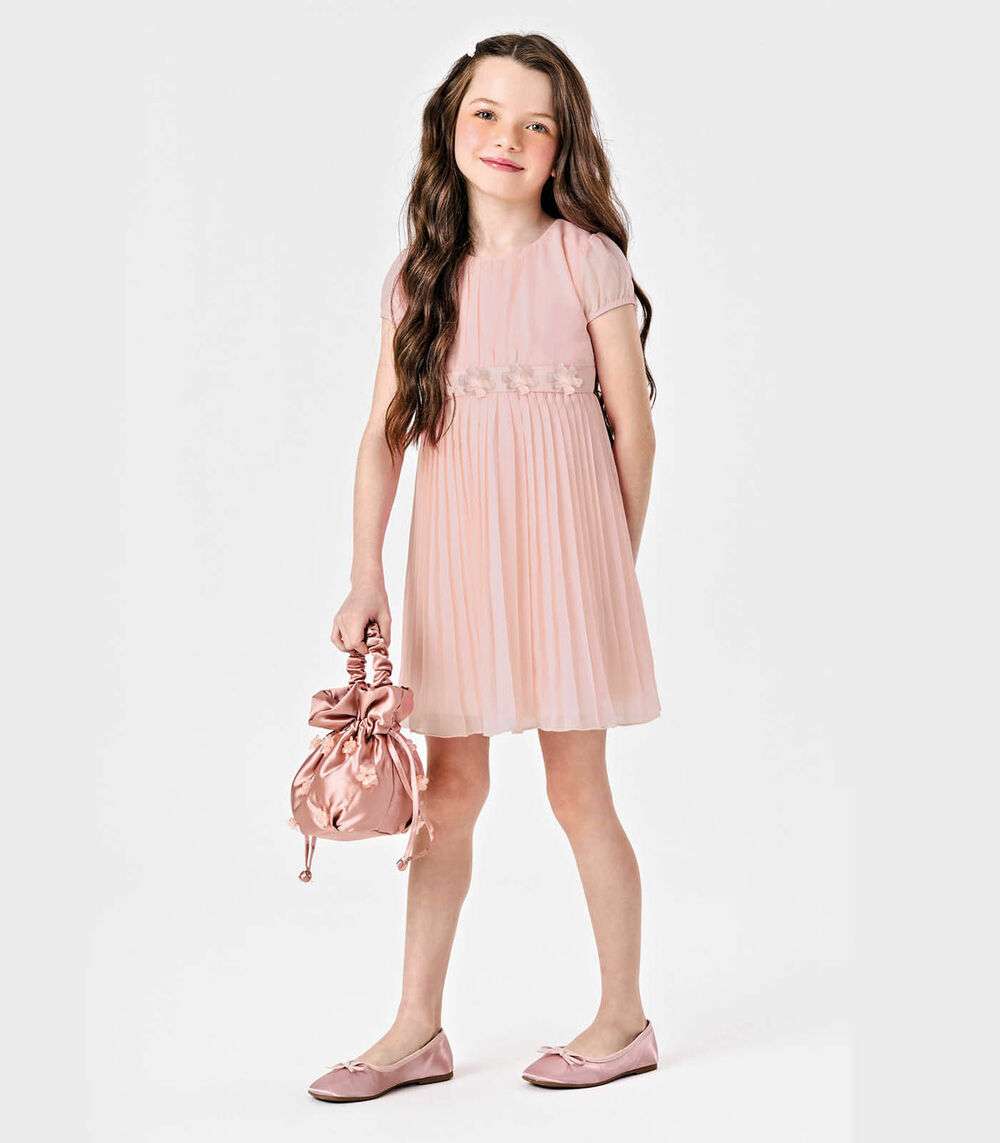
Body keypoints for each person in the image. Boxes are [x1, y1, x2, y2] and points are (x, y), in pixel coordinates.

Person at [308, 33, 662, 1101]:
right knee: (449, 793)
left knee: (577, 788)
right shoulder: (420, 278)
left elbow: (634, 429)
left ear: (562, 147)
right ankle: (416, 1027)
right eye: (487, 114)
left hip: (571, 564)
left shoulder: (583, 258)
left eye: (535, 123)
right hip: (456, 563)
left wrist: (610, 564)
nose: (508, 137)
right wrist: (365, 573)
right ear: (450, 128)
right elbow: (382, 438)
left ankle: (623, 1018)